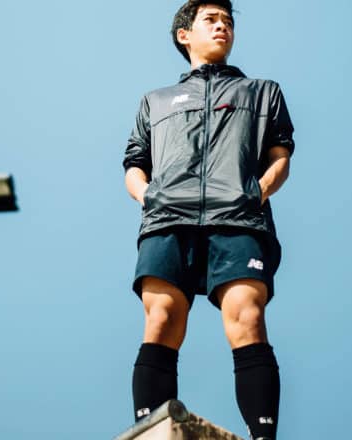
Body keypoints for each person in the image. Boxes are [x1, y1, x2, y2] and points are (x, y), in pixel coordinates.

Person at [122, 1, 295, 438]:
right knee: (160, 318)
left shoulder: (262, 92)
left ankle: (263, 434)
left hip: (238, 220)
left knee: (248, 316)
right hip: (167, 222)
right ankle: (150, 431)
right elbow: (134, 164)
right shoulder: (155, 101)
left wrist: (256, 192)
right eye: (212, 20)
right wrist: (150, 197)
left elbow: (280, 155)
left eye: (228, 22)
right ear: (185, 35)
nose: (223, 27)